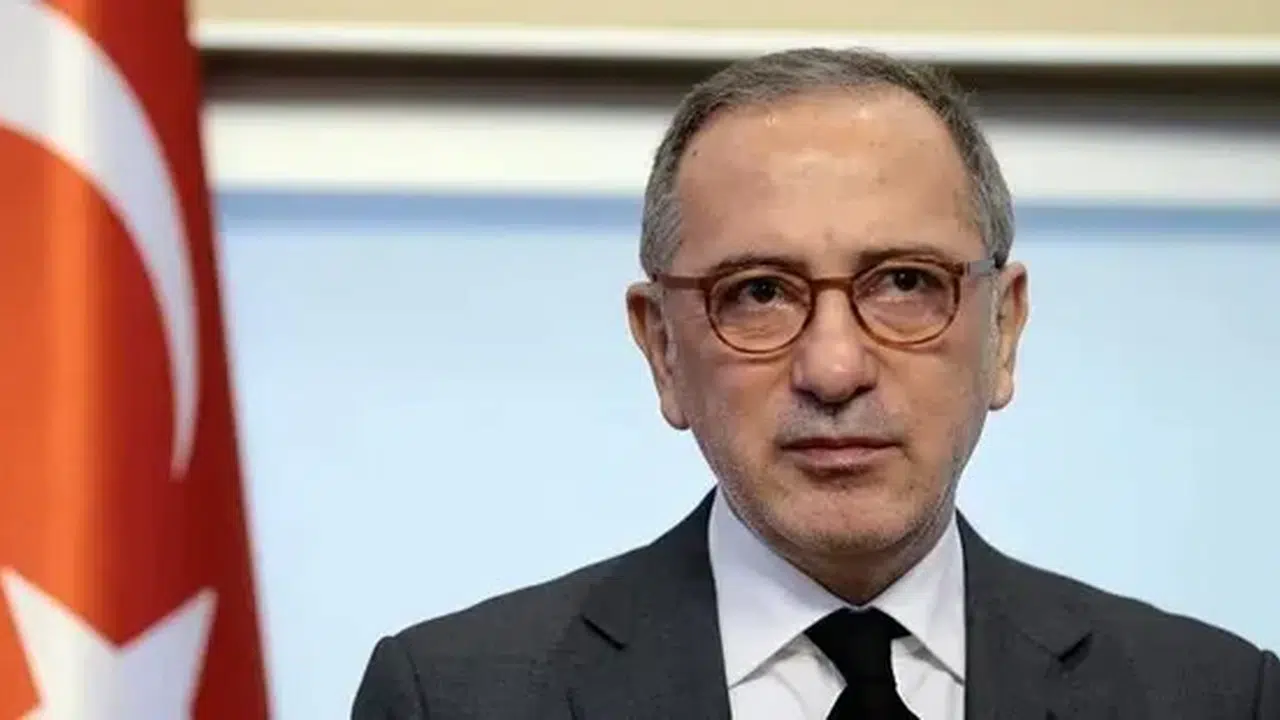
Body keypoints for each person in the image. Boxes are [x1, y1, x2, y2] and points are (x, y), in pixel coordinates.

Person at [350, 47, 1279, 719]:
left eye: (905, 283)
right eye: (758, 293)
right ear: (663, 349)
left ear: (1004, 330)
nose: (834, 368)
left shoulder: (1214, 698)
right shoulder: (455, 698)